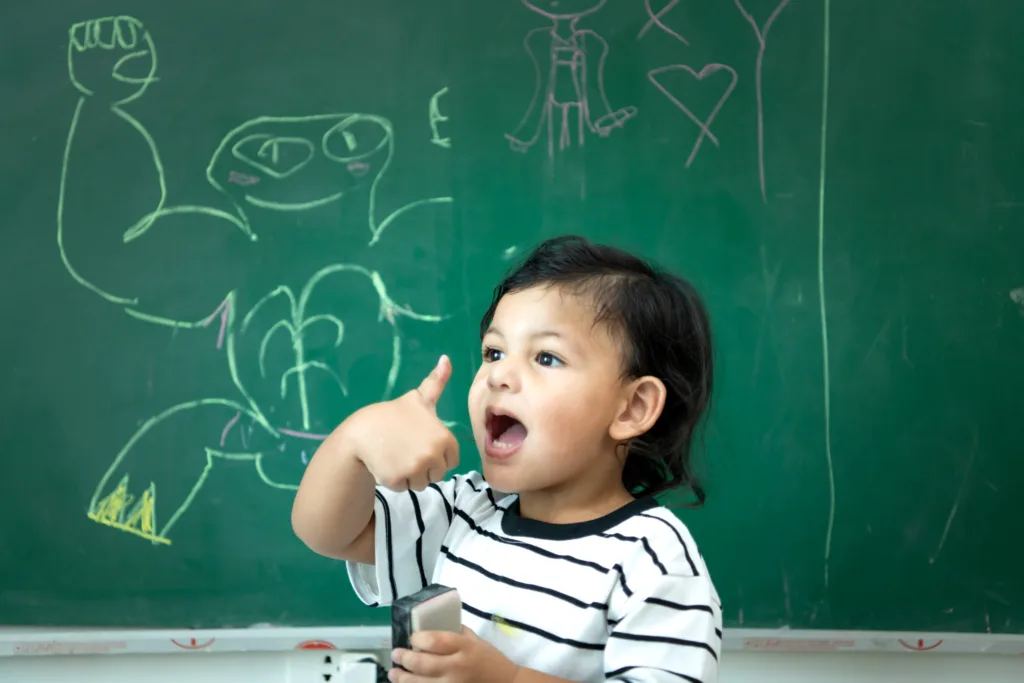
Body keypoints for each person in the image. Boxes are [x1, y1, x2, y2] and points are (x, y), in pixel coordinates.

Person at [292, 235, 722, 682]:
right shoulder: (466, 509)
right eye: (494, 352)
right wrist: (355, 439)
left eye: (547, 357)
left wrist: (508, 680)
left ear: (632, 408)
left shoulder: (652, 557)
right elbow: (329, 532)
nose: (499, 374)